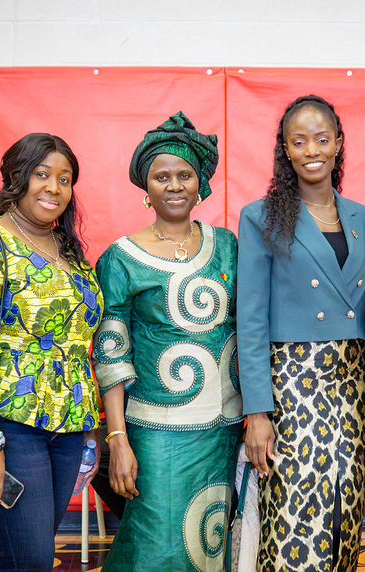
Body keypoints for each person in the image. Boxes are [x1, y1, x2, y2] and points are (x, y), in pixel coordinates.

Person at [0, 133, 103, 571]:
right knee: (30, 560)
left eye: (65, 179)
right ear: (16, 177)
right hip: (6, 425)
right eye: (42, 174)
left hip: (65, 427)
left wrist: (89, 430)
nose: (54, 188)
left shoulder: (69, 251)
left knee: (31, 553)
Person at [237, 94, 365, 572]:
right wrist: (258, 413)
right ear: (285, 149)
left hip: (353, 384)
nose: (312, 150)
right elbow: (251, 319)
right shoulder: (261, 217)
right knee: (295, 516)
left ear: (339, 143)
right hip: (293, 385)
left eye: (322, 138)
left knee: (345, 511)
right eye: (298, 141)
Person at [92, 111, 243, 571]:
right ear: (146, 188)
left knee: (212, 544)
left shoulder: (229, 245)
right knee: (156, 545)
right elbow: (110, 354)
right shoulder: (121, 258)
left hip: (224, 429)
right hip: (153, 431)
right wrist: (117, 439)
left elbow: (249, 328)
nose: (174, 185)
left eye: (185, 175)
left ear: (201, 185)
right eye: (162, 177)